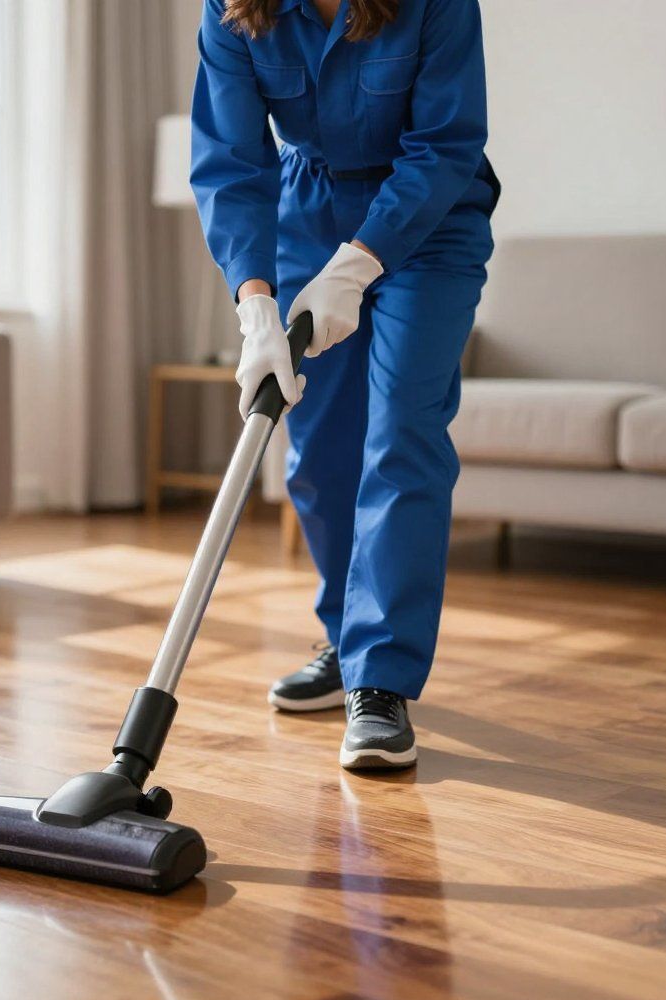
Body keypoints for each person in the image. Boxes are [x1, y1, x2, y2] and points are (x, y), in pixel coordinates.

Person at [191, 0, 500, 770]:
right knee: (320, 450)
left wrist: (360, 263)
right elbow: (232, 160)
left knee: (401, 428)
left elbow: (445, 141)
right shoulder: (233, 9)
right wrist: (255, 303)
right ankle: (344, 637)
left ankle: (381, 679)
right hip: (308, 214)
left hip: (430, 221)